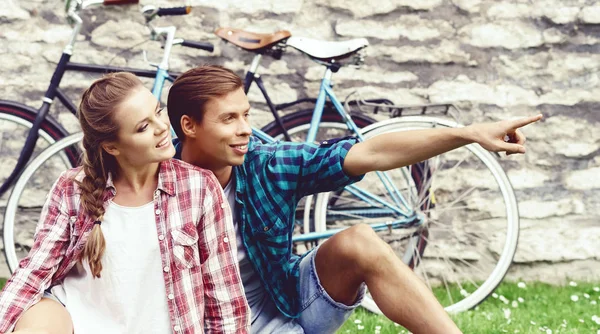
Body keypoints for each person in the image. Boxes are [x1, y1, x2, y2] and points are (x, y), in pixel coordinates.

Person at [167, 65, 542, 334]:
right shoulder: (154, 184)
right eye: (229, 118)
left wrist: (470, 133)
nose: (245, 129)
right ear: (189, 126)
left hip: (283, 308)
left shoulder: (266, 166)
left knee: (359, 242)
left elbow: (373, 152)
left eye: (246, 114)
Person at [0, 72, 250, 334]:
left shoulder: (199, 188)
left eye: (158, 111)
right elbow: (35, 271)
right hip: (77, 322)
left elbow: (224, 299)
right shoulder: (72, 188)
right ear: (112, 147)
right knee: (41, 316)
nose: (162, 127)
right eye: (143, 127)